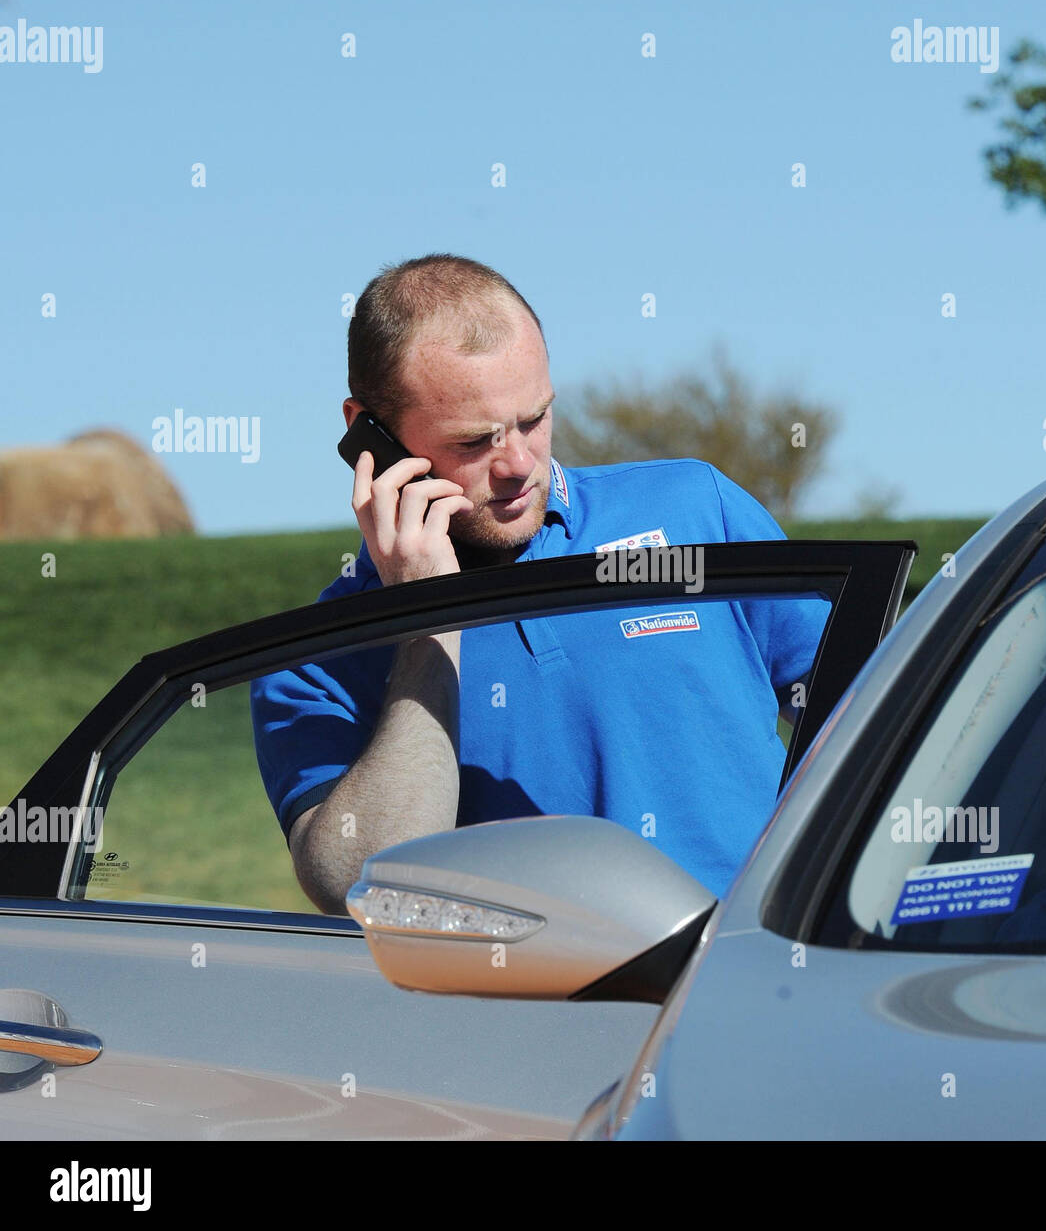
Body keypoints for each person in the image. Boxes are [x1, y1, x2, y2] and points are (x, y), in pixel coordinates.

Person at [250, 254, 826, 914]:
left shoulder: (696, 509)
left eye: (535, 418)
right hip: (527, 1015)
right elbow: (356, 882)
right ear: (369, 438)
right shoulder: (315, 661)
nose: (520, 464)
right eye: (475, 441)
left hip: (761, 984)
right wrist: (427, 614)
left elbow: (881, 718)